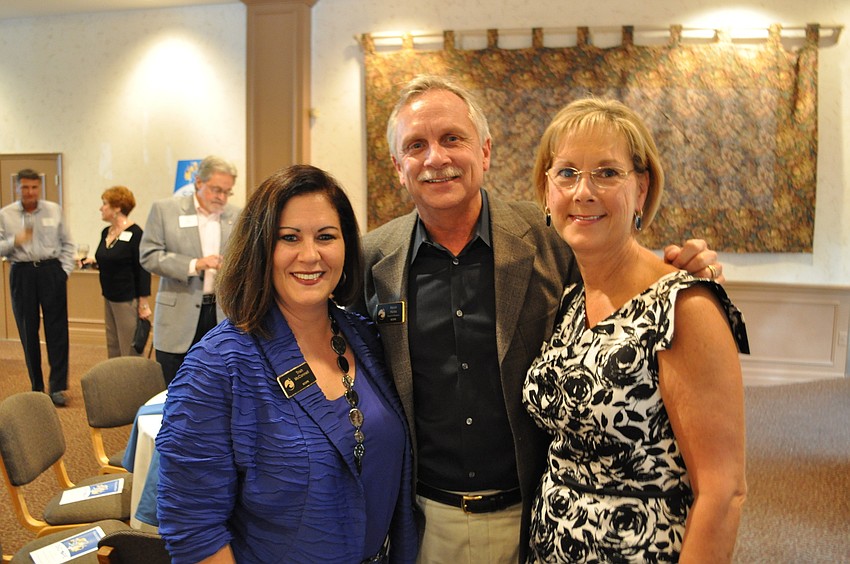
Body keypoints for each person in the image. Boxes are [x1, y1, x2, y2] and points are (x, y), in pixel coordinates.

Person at [356, 75, 724, 563]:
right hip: (424, 521)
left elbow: (625, 290)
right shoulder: (370, 259)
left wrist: (689, 271)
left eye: (452, 139)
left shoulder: (552, 239)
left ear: (484, 152)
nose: (435, 158)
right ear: (398, 167)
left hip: (531, 515)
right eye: (416, 145)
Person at [523, 97, 749, 562]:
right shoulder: (569, 302)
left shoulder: (684, 304)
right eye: (566, 172)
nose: (583, 191)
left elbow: (723, 492)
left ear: (641, 190)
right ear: (547, 192)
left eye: (607, 173)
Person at [155, 165, 418, 563]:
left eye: (326, 237)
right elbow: (194, 528)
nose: (310, 255)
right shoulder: (216, 368)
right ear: (261, 248)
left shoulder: (365, 339)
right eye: (289, 238)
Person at [139, 155, 240, 385]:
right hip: (179, 315)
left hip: (221, 313)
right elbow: (148, 255)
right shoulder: (165, 210)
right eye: (216, 190)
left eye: (227, 191)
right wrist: (195, 264)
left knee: (218, 387)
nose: (222, 197)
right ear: (198, 182)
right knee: (176, 387)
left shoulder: (237, 215)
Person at [0, 168, 75, 406]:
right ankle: (37, 386)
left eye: (34, 187)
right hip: (21, 273)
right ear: (17, 188)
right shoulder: (5, 214)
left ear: (39, 188)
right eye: (24, 187)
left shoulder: (54, 209)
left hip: (51, 271)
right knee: (27, 329)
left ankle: (57, 387)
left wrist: (64, 272)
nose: (29, 192)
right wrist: (15, 240)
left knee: (57, 331)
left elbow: (68, 243)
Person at [91, 186, 152, 357]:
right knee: (113, 346)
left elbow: (142, 269)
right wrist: (94, 262)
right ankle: (116, 382)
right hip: (109, 297)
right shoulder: (106, 232)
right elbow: (111, 258)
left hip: (127, 301)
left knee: (129, 349)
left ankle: (132, 383)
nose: (101, 208)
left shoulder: (135, 233)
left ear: (117, 207)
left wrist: (143, 303)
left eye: (104, 204)